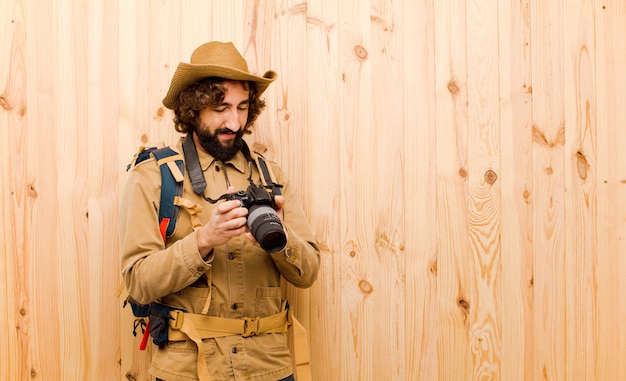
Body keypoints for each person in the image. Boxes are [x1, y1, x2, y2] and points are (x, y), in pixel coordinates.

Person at [120, 41, 321, 381]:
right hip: (189, 370)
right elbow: (138, 282)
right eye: (220, 108)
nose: (234, 121)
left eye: (243, 107)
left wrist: (282, 241)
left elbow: (308, 273)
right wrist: (203, 240)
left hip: (268, 368)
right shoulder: (153, 176)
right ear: (192, 109)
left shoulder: (272, 177)